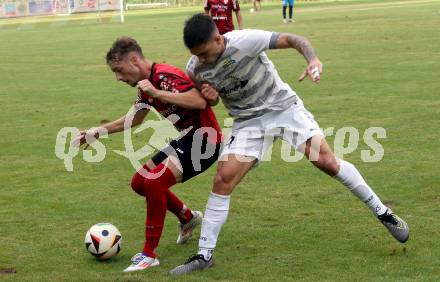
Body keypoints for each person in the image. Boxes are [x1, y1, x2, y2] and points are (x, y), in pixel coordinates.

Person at [169, 13, 410, 275]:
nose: (201, 59)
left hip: (283, 108)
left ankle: (384, 212)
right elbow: (211, 100)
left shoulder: (246, 40)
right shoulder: (195, 68)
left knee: (326, 162)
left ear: (218, 38)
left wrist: (313, 59)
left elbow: (294, 39)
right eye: (197, 55)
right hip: (247, 121)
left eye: (204, 53)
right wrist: (212, 96)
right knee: (222, 179)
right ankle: (205, 255)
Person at [73, 36, 222, 272]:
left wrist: (157, 92)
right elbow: (134, 119)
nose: (119, 78)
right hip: (187, 139)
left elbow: (198, 101)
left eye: (119, 70)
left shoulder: (164, 76)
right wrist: (97, 132)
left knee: (153, 183)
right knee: (139, 182)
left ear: (134, 60)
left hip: (205, 141)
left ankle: (148, 254)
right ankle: (187, 217)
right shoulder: (147, 86)